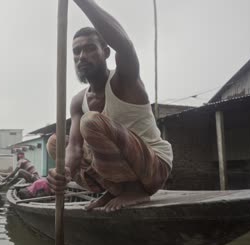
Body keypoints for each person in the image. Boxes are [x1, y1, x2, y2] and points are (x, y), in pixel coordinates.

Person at [47, 0, 173, 212]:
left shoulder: (125, 79)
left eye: (89, 49)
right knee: (55, 142)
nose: (81, 56)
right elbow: (76, 147)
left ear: (105, 52)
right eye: (76, 51)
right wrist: (64, 171)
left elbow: (124, 45)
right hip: (117, 175)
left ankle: (135, 191)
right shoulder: (79, 101)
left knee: (91, 121)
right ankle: (115, 189)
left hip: (153, 168)